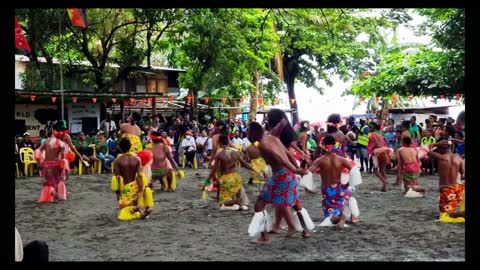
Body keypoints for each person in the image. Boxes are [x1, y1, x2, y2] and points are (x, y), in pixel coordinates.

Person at [251, 109, 313, 244]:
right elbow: (288, 155)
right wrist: (296, 168)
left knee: (259, 204)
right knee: (295, 203)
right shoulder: (273, 138)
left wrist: (296, 170)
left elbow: (280, 159)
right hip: (287, 175)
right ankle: (305, 230)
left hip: (281, 175)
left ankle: (265, 237)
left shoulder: (263, 144)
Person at [309, 135, 357, 229]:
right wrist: (347, 184)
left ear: (323, 145)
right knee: (348, 194)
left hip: (327, 190)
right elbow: (354, 171)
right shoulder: (342, 159)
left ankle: (340, 217)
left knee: (329, 217)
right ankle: (343, 216)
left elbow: (308, 172)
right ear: (335, 145)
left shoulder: (320, 160)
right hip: (339, 189)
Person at [210, 134, 257, 210]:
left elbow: (214, 168)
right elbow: (244, 163)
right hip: (236, 177)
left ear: (220, 143)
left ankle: (236, 202)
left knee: (222, 205)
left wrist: (208, 179)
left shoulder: (219, 153)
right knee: (236, 190)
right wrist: (254, 169)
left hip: (225, 178)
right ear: (228, 142)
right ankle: (239, 203)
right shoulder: (235, 151)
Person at [111, 138, 153, 220]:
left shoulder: (117, 161)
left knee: (123, 209)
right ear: (130, 147)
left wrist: (118, 194)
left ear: (120, 148)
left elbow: (117, 179)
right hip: (135, 185)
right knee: (131, 203)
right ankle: (141, 210)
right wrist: (141, 190)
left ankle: (139, 208)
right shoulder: (137, 159)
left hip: (125, 188)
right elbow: (140, 175)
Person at [427, 139, 465, 222]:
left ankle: (460, 214)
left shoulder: (440, 156)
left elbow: (426, 149)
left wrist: (435, 144)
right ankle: (456, 212)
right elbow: (462, 173)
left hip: (447, 190)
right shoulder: (458, 157)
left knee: (444, 216)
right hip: (459, 189)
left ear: (440, 148)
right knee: (448, 209)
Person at [35, 126, 69, 203]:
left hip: (46, 165)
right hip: (56, 165)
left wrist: (38, 163)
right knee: (57, 180)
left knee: (48, 182)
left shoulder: (46, 141)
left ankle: (49, 196)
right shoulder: (61, 144)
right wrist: (65, 170)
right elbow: (63, 158)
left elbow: (37, 151)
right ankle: (55, 194)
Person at [368, 122, 392, 192]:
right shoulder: (380, 134)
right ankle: (384, 186)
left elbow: (377, 144)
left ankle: (384, 182)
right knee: (382, 169)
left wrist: (372, 148)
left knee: (375, 170)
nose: (368, 129)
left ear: (372, 128)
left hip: (377, 153)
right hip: (384, 151)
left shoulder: (373, 134)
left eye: (369, 127)